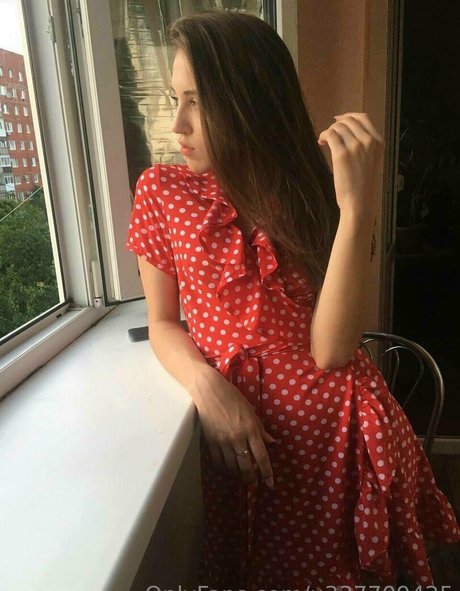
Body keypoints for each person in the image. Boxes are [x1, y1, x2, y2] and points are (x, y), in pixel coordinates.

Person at [125, 10, 460, 591]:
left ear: (249, 101)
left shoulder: (315, 190)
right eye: (175, 98)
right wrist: (207, 387)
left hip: (339, 441)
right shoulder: (163, 192)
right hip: (243, 437)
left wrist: (358, 208)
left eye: (197, 102)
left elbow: (331, 352)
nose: (176, 123)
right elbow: (162, 322)